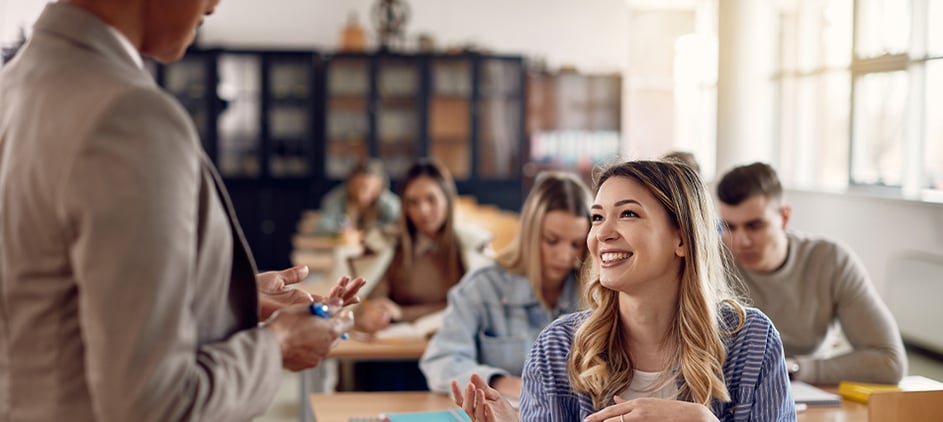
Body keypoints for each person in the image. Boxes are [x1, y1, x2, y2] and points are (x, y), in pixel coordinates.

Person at [0, 1, 364, 421]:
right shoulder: (128, 116)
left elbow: (57, 302)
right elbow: (157, 405)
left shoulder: (16, 86)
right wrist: (278, 345)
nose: (215, 3)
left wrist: (220, 297)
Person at [453, 160, 795, 421]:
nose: (601, 234)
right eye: (598, 217)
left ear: (682, 238)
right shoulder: (557, 349)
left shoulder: (753, 340)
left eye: (628, 214)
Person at [715, 162, 906, 385]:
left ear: (784, 217)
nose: (740, 241)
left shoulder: (831, 261)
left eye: (755, 226)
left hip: (803, 391)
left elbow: (890, 361)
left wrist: (792, 369)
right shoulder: (710, 261)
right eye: (729, 227)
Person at [420, 171, 592, 401]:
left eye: (576, 244)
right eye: (552, 240)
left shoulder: (595, 294)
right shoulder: (482, 287)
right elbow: (441, 361)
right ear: (530, 233)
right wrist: (500, 383)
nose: (564, 255)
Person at [332, 158, 494, 390]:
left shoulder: (469, 248)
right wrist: (372, 312)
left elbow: (470, 307)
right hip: (395, 357)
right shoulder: (388, 246)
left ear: (447, 200)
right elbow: (373, 296)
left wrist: (403, 313)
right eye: (412, 203)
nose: (422, 211)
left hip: (453, 356)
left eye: (431, 200)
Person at [315, 158, 400, 237]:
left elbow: (400, 225)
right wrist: (338, 232)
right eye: (355, 187)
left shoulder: (388, 203)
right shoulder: (335, 199)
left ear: (379, 187)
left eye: (366, 188)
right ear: (349, 184)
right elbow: (322, 226)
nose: (360, 194)